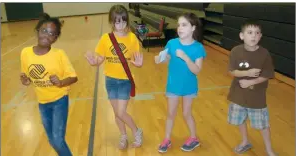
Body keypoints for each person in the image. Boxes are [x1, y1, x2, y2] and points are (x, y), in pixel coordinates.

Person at [85, 5, 143, 149]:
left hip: (124, 81)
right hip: (110, 80)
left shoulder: (132, 38)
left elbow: (136, 60)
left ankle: (136, 131)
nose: (121, 25)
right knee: (116, 113)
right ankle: (123, 135)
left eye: (123, 21)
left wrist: (139, 64)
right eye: (117, 22)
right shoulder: (106, 39)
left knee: (120, 112)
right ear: (112, 22)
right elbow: (100, 59)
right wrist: (94, 62)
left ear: (127, 21)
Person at [20, 13, 77, 156]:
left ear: (55, 38)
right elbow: (28, 77)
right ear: (37, 30)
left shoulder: (59, 54)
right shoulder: (25, 53)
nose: (47, 35)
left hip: (59, 101)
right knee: (52, 141)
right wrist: (26, 80)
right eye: (44, 30)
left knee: (57, 140)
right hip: (42, 103)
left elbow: (74, 77)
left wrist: (61, 82)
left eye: (52, 34)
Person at [155, 13, 206, 153]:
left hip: (189, 87)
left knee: (186, 113)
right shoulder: (172, 43)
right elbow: (167, 59)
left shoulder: (198, 48)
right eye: (178, 25)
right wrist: (160, 59)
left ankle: (194, 138)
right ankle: (166, 139)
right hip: (173, 84)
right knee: (170, 113)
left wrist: (185, 57)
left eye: (184, 25)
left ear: (193, 28)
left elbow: (196, 70)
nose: (180, 28)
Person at [227, 19, 277, 156]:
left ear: (260, 36)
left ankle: (269, 150)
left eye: (257, 33)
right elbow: (232, 71)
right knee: (240, 120)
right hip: (238, 96)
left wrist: (251, 82)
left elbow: (268, 74)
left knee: (263, 125)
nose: (253, 36)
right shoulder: (236, 51)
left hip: (257, 98)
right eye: (250, 32)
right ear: (242, 36)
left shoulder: (264, 54)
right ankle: (245, 141)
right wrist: (246, 73)